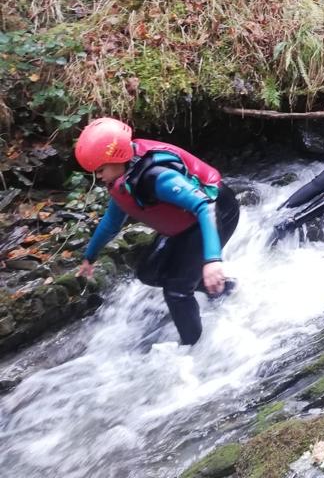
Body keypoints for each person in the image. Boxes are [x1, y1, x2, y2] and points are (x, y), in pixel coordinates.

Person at [74, 118, 240, 346]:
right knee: (148, 272)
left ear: (118, 158)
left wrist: (212, 260)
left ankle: (192, 348)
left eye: (101, 170)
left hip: (217, 213)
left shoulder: (157, 177)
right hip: (185, 224)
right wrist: (89, 257)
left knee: (176, 291)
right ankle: (222, 288)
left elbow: (205, 206)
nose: (99, 177)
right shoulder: (123, 178)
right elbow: (111, 222)